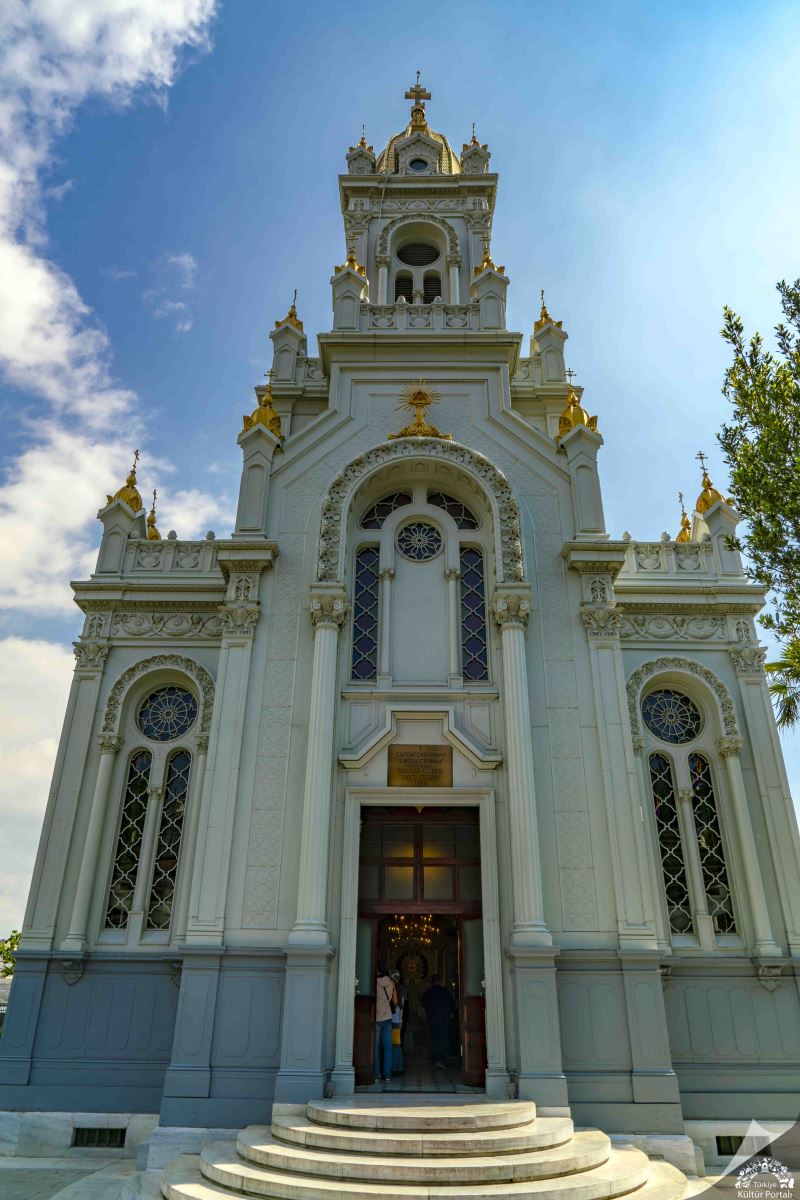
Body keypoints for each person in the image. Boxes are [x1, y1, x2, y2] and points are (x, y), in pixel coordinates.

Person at [422, 974, 456, 1069]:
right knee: (442, 1039)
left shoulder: (428, 992)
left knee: (434, 1039)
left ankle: (435, 1059)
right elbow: (452, 1004)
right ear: (440, 981)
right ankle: (440, 1060)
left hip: (432, 1019)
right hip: (443, 1020)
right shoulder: (445, 992)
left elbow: (424, 1004)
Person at [374, 963, 397, 1084]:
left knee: (376, 1048)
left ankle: (377, 1074)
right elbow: (395, 1001)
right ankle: (387, 1075)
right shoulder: (391, 982)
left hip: (376, 1018)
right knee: (388, 1048)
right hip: (388, 1018)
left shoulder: (374, 983)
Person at [390, 970, 406, 1076]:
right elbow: (402, 1007)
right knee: (396, 1045)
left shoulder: (391, 989)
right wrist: (401, 1021)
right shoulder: (401, 990)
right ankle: (398, 1067)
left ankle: (395, 1068)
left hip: (391, 1020)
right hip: (397, 1021)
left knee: (393, 1046)